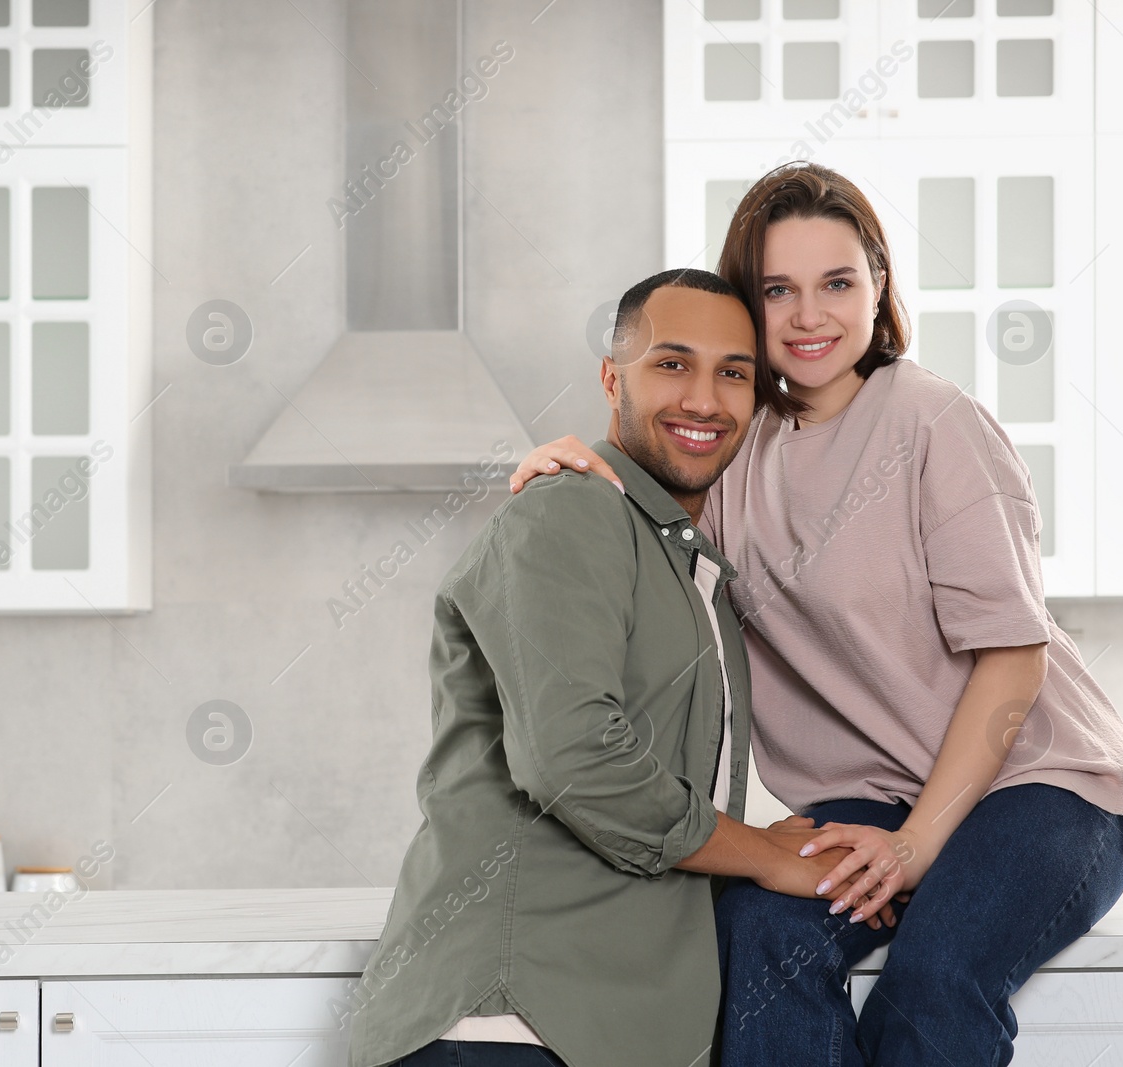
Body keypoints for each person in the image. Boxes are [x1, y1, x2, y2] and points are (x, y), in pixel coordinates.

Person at [509, 162, 1123, 1066]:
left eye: (838, 283)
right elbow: (654, 501)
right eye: (779, 289)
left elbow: (1015, 660)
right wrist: (581, 458)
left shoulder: (936, 422)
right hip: (870, 794)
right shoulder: (739, 446)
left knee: (934, 980)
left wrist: (916, 847)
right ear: (747, 302)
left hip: (1038, 785)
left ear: (879, 287)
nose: (810, 315)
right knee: (760, 934)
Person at [348, 268, 895, 1067]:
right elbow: (574, 757)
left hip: (599, 1031)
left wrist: (780, 845)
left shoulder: (687, 563)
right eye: (672, 363)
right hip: (506, 1023)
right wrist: (763, 854)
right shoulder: (570, 509)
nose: (704, 399)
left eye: (733, 373)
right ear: (612, 378)